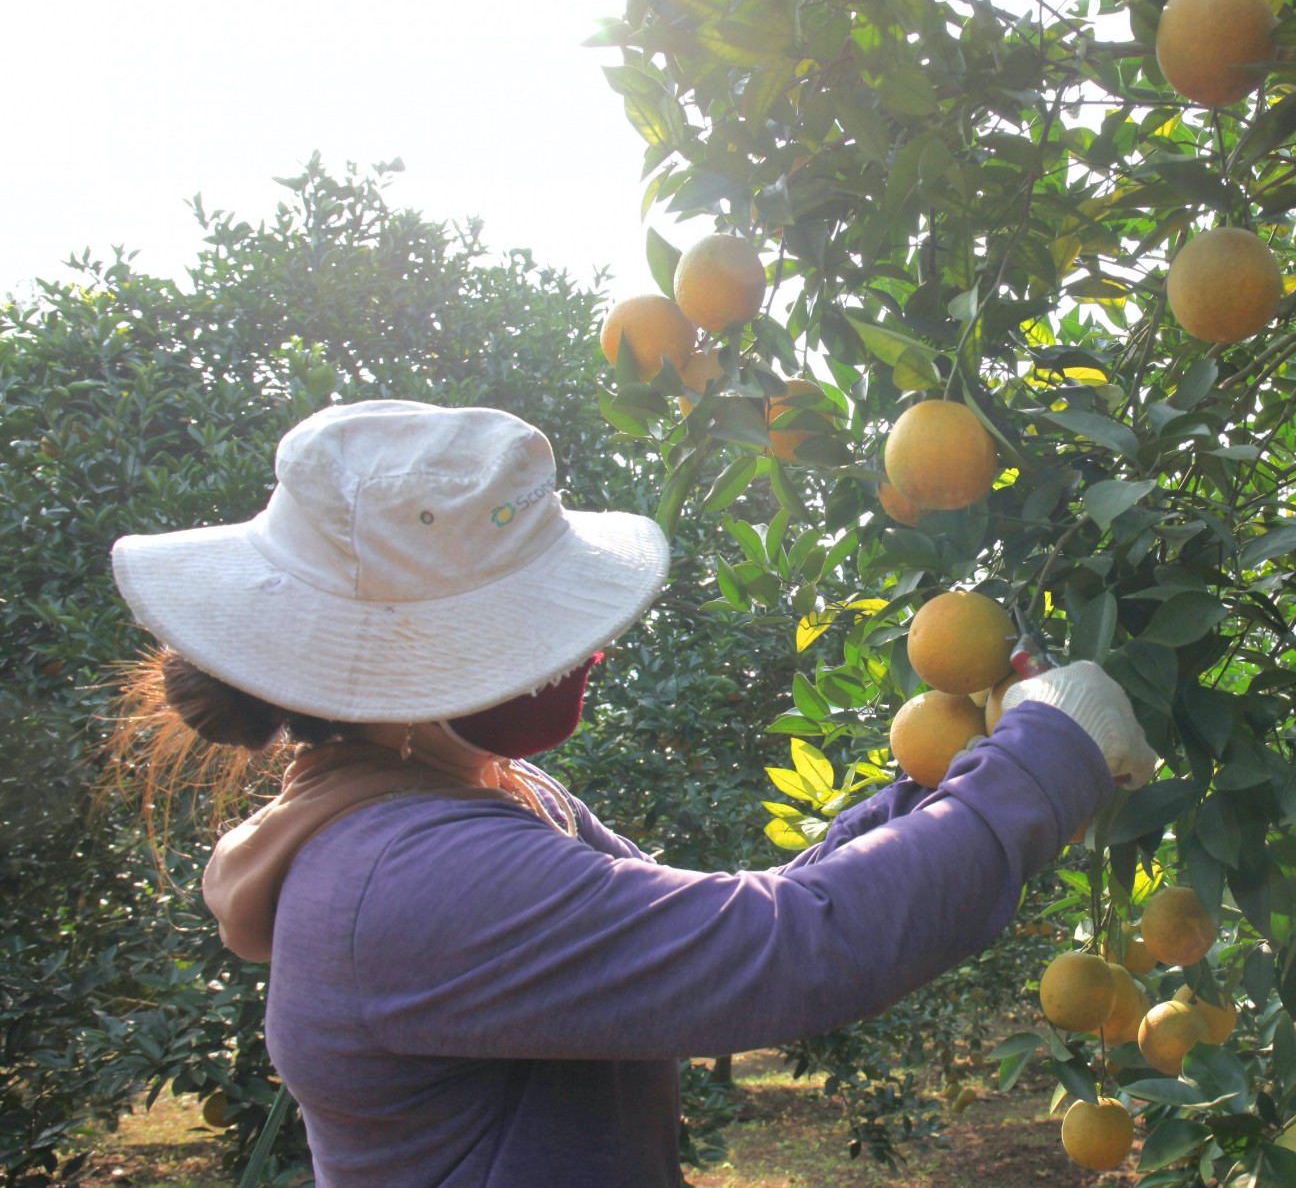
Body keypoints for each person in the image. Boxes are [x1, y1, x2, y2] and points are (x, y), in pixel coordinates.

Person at [110, 398, 1157, 1187]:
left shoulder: (480, 790)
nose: (590, 652)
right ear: (412, 663)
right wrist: (1038, 764)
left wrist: (939, 776)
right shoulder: (401, 879)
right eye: (541, 630)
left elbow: (731, 909)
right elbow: (791, 951)